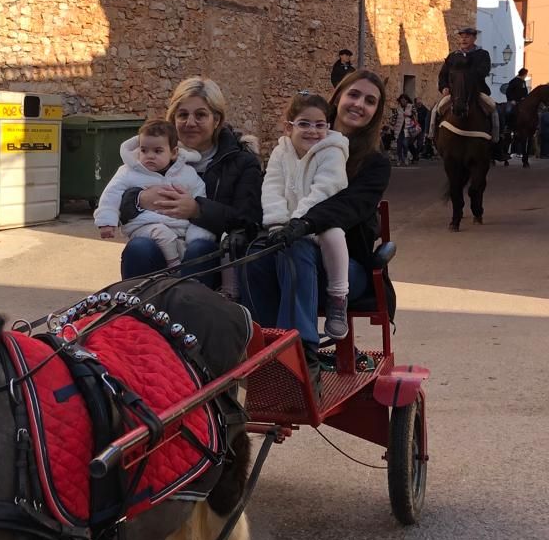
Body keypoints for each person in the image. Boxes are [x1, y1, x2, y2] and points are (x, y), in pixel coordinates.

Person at [243, 70, 394, 386]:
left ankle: (301, 354)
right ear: (338, 97)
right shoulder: (298, 143)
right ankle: (261, 348)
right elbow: (273, 186)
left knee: (297, 249)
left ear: (376, 112)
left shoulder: (374, 163)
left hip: (344, 265)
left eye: (370, 101)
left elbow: (350, 207)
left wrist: (303, 224)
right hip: (291, 246)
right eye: (354, 95)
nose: (359, 105)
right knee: (255, 254)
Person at [117, 76, 263, 287]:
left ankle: (187, 315)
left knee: (198, 250)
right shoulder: (153, 156)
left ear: (217, 120)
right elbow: (116, 195)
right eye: (183, 115)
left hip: (212, 258)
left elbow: (248, 219)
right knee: (139, 247)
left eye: (200, 115)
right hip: (160, 243)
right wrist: (138, 198)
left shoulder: (242, 162)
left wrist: (197, 210)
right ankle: (138, 315)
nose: (190, 123)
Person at [261, 92, 351, 339]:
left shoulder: (332, 151)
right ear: (288, 127)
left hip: (318, 221)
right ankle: (259, 331)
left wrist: (298, 222)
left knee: (334, 235)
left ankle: (338, 296)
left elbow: (325, 189)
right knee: (256, 251)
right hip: (287, 227)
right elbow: (272, 186)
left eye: (320, 125)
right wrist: (277, 221)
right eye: (304, 124)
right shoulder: (281, 153)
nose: (313, 131)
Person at [94, 118, 213, 268]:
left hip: (179, 226)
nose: (149, 156)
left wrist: (195, 207)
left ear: (173, 152)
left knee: (197, 240)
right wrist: (106, 221)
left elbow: (199, 192)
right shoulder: (128, 172)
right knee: (163, 234)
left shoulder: (186, 173)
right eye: (144, 150)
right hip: (144, 225)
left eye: (158, 151)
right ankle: (174, 267)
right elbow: (111, 195)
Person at [437, 26, 500, 142]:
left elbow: (483, 71)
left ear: (474, 38)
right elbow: (443, 75)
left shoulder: (482, 54)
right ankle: (431, 137)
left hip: (477, 92)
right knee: (434, 111)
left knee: (494, 110)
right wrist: (444, 87)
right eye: (462, 37)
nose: (464, 40)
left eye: (467, 37)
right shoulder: (453, 56)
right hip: (455, 93)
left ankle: (497, 142)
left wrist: (467, 75)